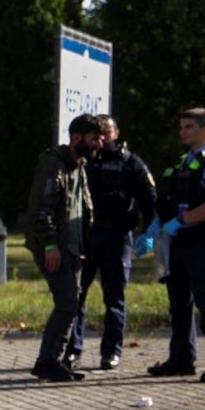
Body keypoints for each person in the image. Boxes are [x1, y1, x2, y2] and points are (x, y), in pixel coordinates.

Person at [145, 108, 205, 383]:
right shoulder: (183, 163)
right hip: (178, 244)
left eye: (188, 127)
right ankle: (182, 358)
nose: (182, 132)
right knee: (179, 304)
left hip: (203, 242)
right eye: (181, 126)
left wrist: (182, 220)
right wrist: (155, 227)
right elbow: (166, 202)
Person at [65, 115, 160, 371]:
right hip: (86, 238)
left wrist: (149, 230)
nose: (103, 137)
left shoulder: (129, 162)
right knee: (76, 296)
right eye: (99, 133)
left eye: (107, 131)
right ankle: (72, 350)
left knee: (114, 297)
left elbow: (150, 198)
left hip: (117, 237)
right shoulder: (81, 160)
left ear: (117, 133)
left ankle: (111, 352)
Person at [24, 114, 102, 383]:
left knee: (71, 304)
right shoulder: (53, 165)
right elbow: (41, 211)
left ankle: (54, 361)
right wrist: (49, 245)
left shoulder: (79, 166)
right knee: (67, 302)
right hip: (53, 248)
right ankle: (46, 361)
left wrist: (85, 244)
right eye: (94, 138)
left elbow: (83, 209)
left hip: (73, 249)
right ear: (77, 137)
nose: (99, 144)